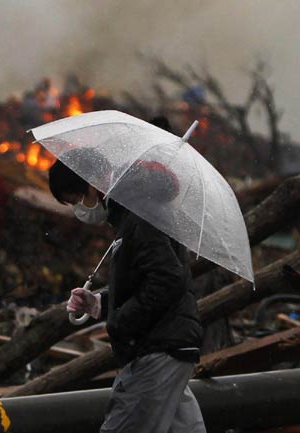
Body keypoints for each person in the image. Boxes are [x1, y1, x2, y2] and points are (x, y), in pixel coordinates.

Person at [48, 121, 206, 433]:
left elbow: (167, 279)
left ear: (91, 186)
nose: (79, 210)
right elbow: (149, 280)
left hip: (157, 350)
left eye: (75, 199)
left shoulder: (139, 214)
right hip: (170, 347)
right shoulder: (133, 214)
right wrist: (99, 303)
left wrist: (119, 322)